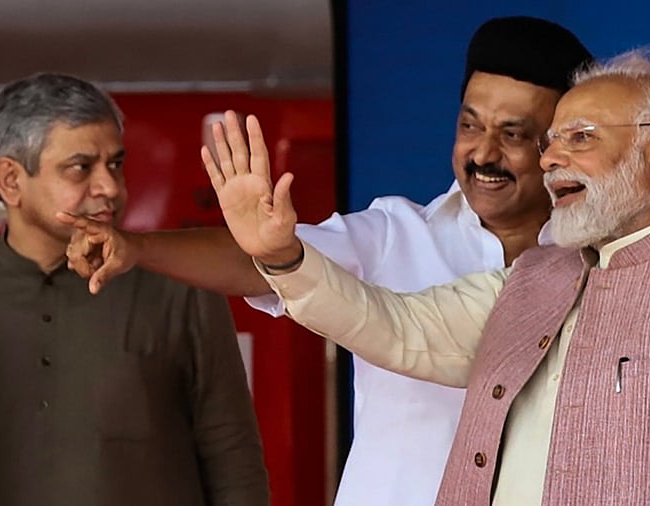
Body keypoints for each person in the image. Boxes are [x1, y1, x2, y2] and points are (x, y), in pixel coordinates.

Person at [205, 49, 650, 505]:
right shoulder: (535, 276)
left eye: (581, 138)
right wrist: (284, 256)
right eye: (553, 142)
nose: (552, 159)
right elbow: (395, 326)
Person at [60, 17, 593, 505]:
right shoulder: (394, 233)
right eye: (470, 126)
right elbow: (264, 264)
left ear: (559, 146)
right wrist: (137, 247)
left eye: (514, 134)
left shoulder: (602, 265)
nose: (482, 154)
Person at [0, 73, 269, 506]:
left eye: (115, 164)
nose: (110, 188)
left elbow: (233, 458)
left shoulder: (183, 288)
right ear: (11, 181)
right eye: (81, 168)